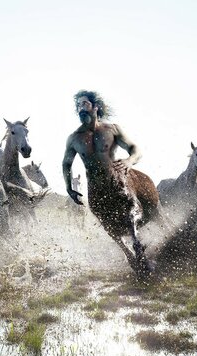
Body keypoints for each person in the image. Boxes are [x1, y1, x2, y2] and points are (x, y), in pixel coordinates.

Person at [62, 90, 157, 275]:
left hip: (117, 181)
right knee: (108, 225)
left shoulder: (112, 129)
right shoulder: (74, 138)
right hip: (95, 188)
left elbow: (135, 148)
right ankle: (128, 254)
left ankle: (136, 244)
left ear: (95, 107)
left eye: (85, 104)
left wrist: (130, 161)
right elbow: (66, 163)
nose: (81, 108)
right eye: (79, 106)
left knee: (131, 212)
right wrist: (68, 187)